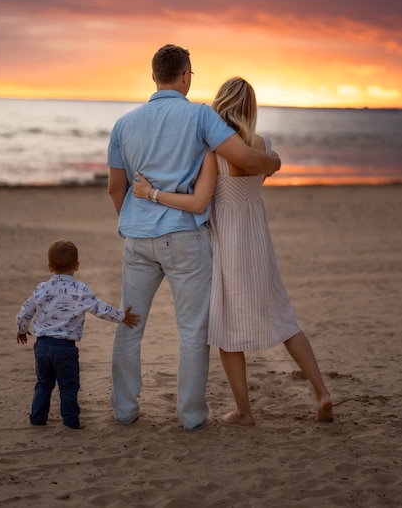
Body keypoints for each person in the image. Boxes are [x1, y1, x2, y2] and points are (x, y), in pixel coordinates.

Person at [132, 76, 333, 426]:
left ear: (220, 104)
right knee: (285, 319)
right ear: (250, 108)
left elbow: (200, 202)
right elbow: (261, 170)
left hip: (226, 243)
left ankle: (244, 411)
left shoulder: (213, 149)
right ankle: (321, 392)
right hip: (258, 241)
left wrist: (151, 192)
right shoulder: (263, 145)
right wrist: (275, 161)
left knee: (226, 329)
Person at [107, 44, 281, 431]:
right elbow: (247, 159)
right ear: (185, 76)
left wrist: (134, 222)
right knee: (192, 331)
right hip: (183, 238)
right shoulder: (200, 115)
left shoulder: (124, 124)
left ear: (154, 76)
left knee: (129, 323)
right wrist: (274, 162)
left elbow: (115, 188)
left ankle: (124, 409)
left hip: (137, 241)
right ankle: (190, 415)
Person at [16, 239, 140, 430]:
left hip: (42, 346)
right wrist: (122, 316)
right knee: (68, 386)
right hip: (65, 348)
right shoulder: (80, 290)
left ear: (49, 267)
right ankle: (71, 422)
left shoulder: (41, 288)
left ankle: (38, 419)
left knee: (43, 383)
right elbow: (100, 309)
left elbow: (25, 311)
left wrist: (22, 329)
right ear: (77, 265)